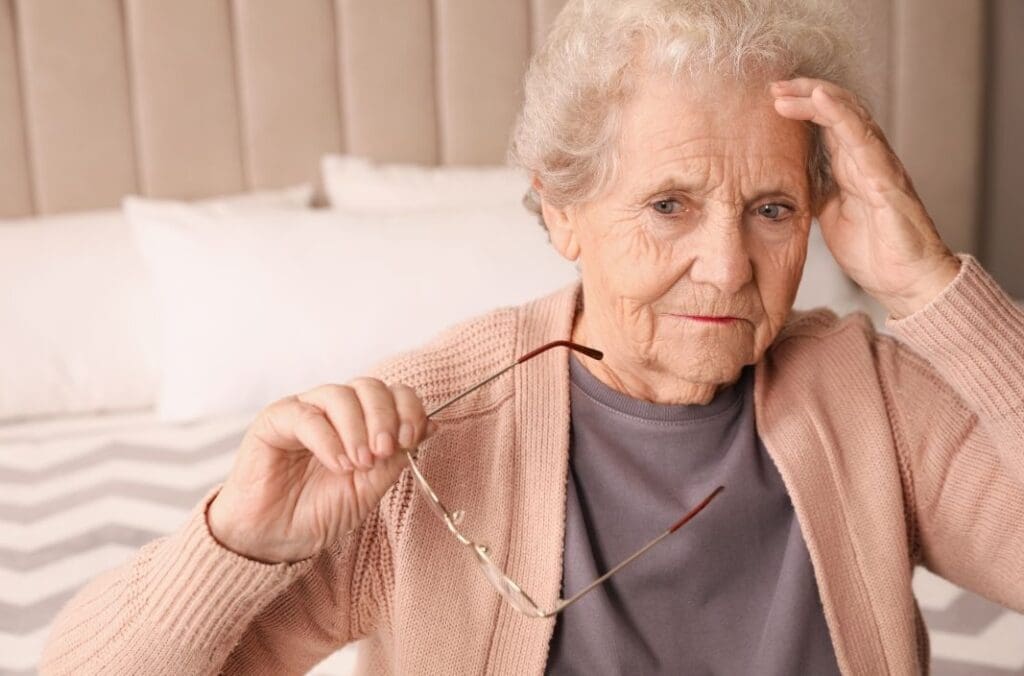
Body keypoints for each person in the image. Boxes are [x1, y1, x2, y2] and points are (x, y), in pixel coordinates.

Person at [41, 1, 1023, 674]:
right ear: (560, 212)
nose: (727, 265)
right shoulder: (421, 433)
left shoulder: (874, 395)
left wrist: (929, 284)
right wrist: (238, 541)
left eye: (770, 208)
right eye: (670, 203)